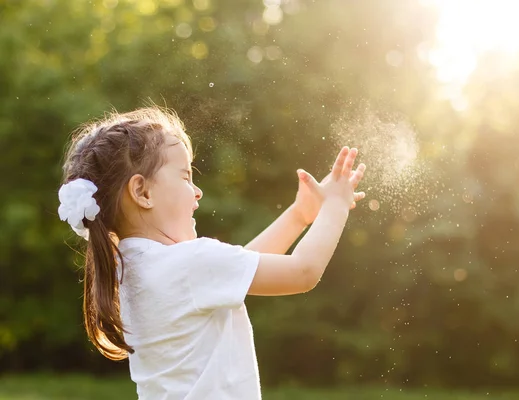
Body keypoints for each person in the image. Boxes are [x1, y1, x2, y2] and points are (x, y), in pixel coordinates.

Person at [57, 106, 367, 399]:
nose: (197, 191)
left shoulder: (132, 270)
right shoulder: (189, 263)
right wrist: (335, 204)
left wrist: (300, 215)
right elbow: (304, 271)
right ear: (142, 192)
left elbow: (237, 267)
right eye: (185, 176)